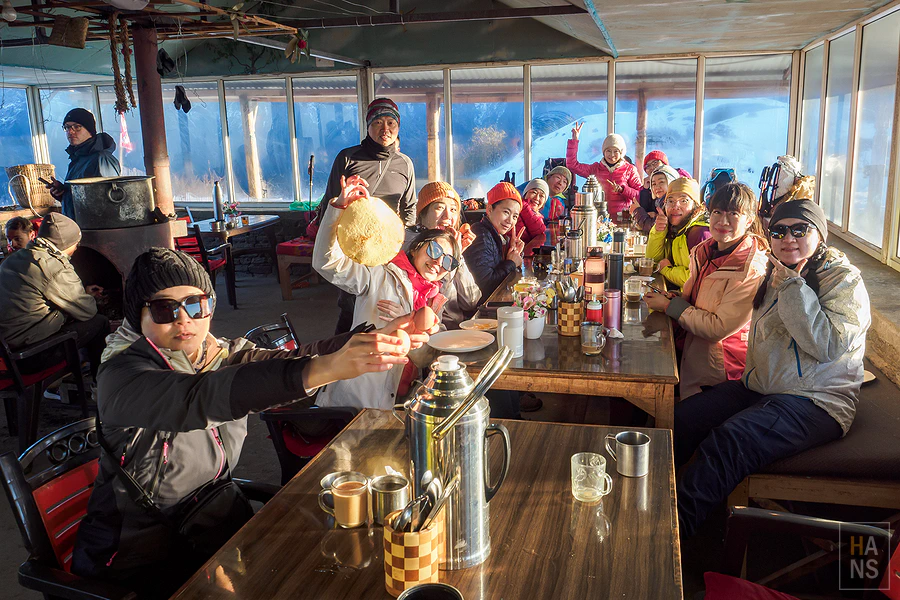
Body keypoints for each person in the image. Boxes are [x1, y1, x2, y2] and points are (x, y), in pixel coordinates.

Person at [71, 248, 422, 598]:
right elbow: (201, 397)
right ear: (139, 315)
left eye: (196, 304)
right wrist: (328, 369)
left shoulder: (214, 354)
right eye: (165, 309)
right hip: (141, 556)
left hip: (212, 526)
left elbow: (289, 360)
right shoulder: (121, 376)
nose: (184, 320)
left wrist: (371, 338)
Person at [674, 200, 870, 537]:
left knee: (729, 442)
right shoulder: (776, 269)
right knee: (677, 421)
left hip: (817, 401)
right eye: (779, 231)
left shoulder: (842, 280)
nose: (788, 238)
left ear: (820, 235)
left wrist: (794, 283)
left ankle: (669, 536)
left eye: (800, 230)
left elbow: (827, 346)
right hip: (763, 387)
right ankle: (645, 504)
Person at [313, 175, 459, 410]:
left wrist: (411, 327)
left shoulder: (434, 299)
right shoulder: (379, 275)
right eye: (433, 249)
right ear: (417, 248)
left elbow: (425, 360)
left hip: (401, 401)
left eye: (448, 261)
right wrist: (337, 210)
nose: (438, 262)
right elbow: (326, 263)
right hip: (359, 400)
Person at [645, 183, 768, 398]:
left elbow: (718, 329)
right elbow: (698, 299)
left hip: (720, 371)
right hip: (691, 350)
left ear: (749, 220)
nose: (723, 221)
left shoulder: (750, 269)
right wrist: (674, 298)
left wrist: (670, 306)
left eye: (733, 214)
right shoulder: (705, 250)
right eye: (718, 212)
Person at [316, 98, 417, 335]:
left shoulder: (405, 164)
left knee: (385, 303)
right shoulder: (348, 157)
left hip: (390, 249)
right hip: (353, 247)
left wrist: (401, 247)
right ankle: (339, 355)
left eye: (391, 122)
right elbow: (330, 202)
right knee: (352, 304)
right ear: (368, 126)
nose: (385, 129)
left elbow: (410, 209)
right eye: (378, 122)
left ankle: (382, 356)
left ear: (398, 126)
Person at [0, 213, 108, 379]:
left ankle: (82, 367)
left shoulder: (13, 259)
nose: (77, 248)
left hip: (6, 352)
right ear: (66, 243)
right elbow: (87, 311)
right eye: (76, 244)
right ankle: (98, 385)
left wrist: (82, 296)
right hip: (29, 356)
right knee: (99, 323)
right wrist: (89, 300)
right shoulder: (52, 266)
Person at [383, 181, 480, 331]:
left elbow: (472, 300)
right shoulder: (409, 250)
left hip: (447, 330)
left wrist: (457, 258)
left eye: (454, 209)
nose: (448, 216)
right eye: (439, 207)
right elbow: (435, 313)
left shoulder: (449, 245)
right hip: (432, 333)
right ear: (422, 213)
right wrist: (452, 261)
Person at [47, 108, 121, 220]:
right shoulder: (78, 159)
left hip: (95, 230)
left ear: (90, 130)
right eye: (67, 127)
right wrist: (63, 193)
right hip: (79, 228)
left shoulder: (101, 159)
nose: (70, 132)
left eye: (77, 127)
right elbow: (84, 195)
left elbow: (111, 199)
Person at [463, 182, 525, 303]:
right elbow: (486, 285)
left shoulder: (494, 235)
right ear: (490, 209)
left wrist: (510, 252)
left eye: (515, 216)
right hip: (479, 312)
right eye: (506, 212)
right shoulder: (480, 236)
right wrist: (511, 262)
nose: (510, 221)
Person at [566, 124, 641, 224]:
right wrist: (574, 140)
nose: (612, 155)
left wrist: (623, 189)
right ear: (603, 152)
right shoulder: (595, 168)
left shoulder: (630, 169)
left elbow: (640, 195)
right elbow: (572, 165)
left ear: (622, 153)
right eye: (608, 151)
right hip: (597, 220)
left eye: (616, 151)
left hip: (622, 219)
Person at [646, 177, 711, 291]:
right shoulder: (675, 229)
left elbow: (700, 279)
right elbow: (653, 261)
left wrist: (667, 269)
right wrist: (658, 231)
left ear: (696, 206)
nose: (675, 206)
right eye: (670, 201)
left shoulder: (699, 233)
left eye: (683, 200)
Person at [630, 165, 679, 233]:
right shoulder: (659, 201)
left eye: (661, 182)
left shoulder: (672, 202)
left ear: (671, 182)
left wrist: (637, 211)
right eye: (653, 184)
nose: (657, 187)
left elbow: (652, 227)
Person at [515, 178, 549, 253]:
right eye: (533, 192)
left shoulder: (537, 215)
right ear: (525, 194)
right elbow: (540, 233)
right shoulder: (518, 210)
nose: (537, 198)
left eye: (541, 196)